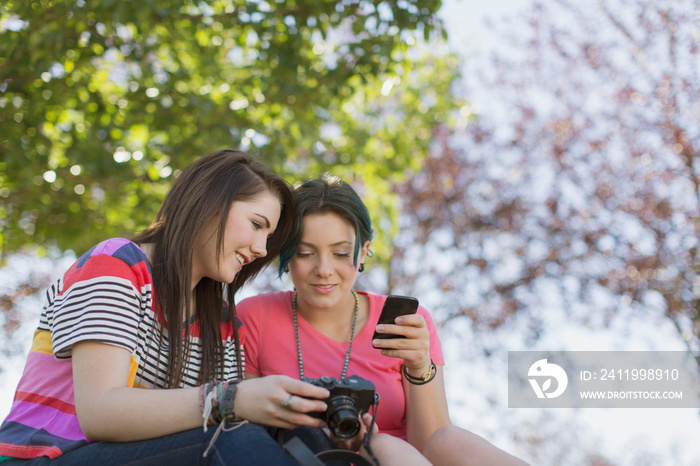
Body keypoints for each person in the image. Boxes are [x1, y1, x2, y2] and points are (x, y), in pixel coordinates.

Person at [0, 150, 336, 465]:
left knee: (302, 436)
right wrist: (231, 399)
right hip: (44, 456)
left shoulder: (222, 324)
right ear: (210, 203)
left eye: (269, 236)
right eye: (256, 224)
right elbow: (99, 412)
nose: (263, 249)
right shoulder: (117, 263)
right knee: (230, 442)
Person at [237, 175, 530, 465]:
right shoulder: (254, 317)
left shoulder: (406, 324)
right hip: (303, 457)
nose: (324, 269)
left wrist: (419, 366)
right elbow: (242, 431)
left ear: (363, 251)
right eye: (305, 253)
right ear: (285, 256)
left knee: (447, 440)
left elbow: (433, 446)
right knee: (383, 444)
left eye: (340, 253)